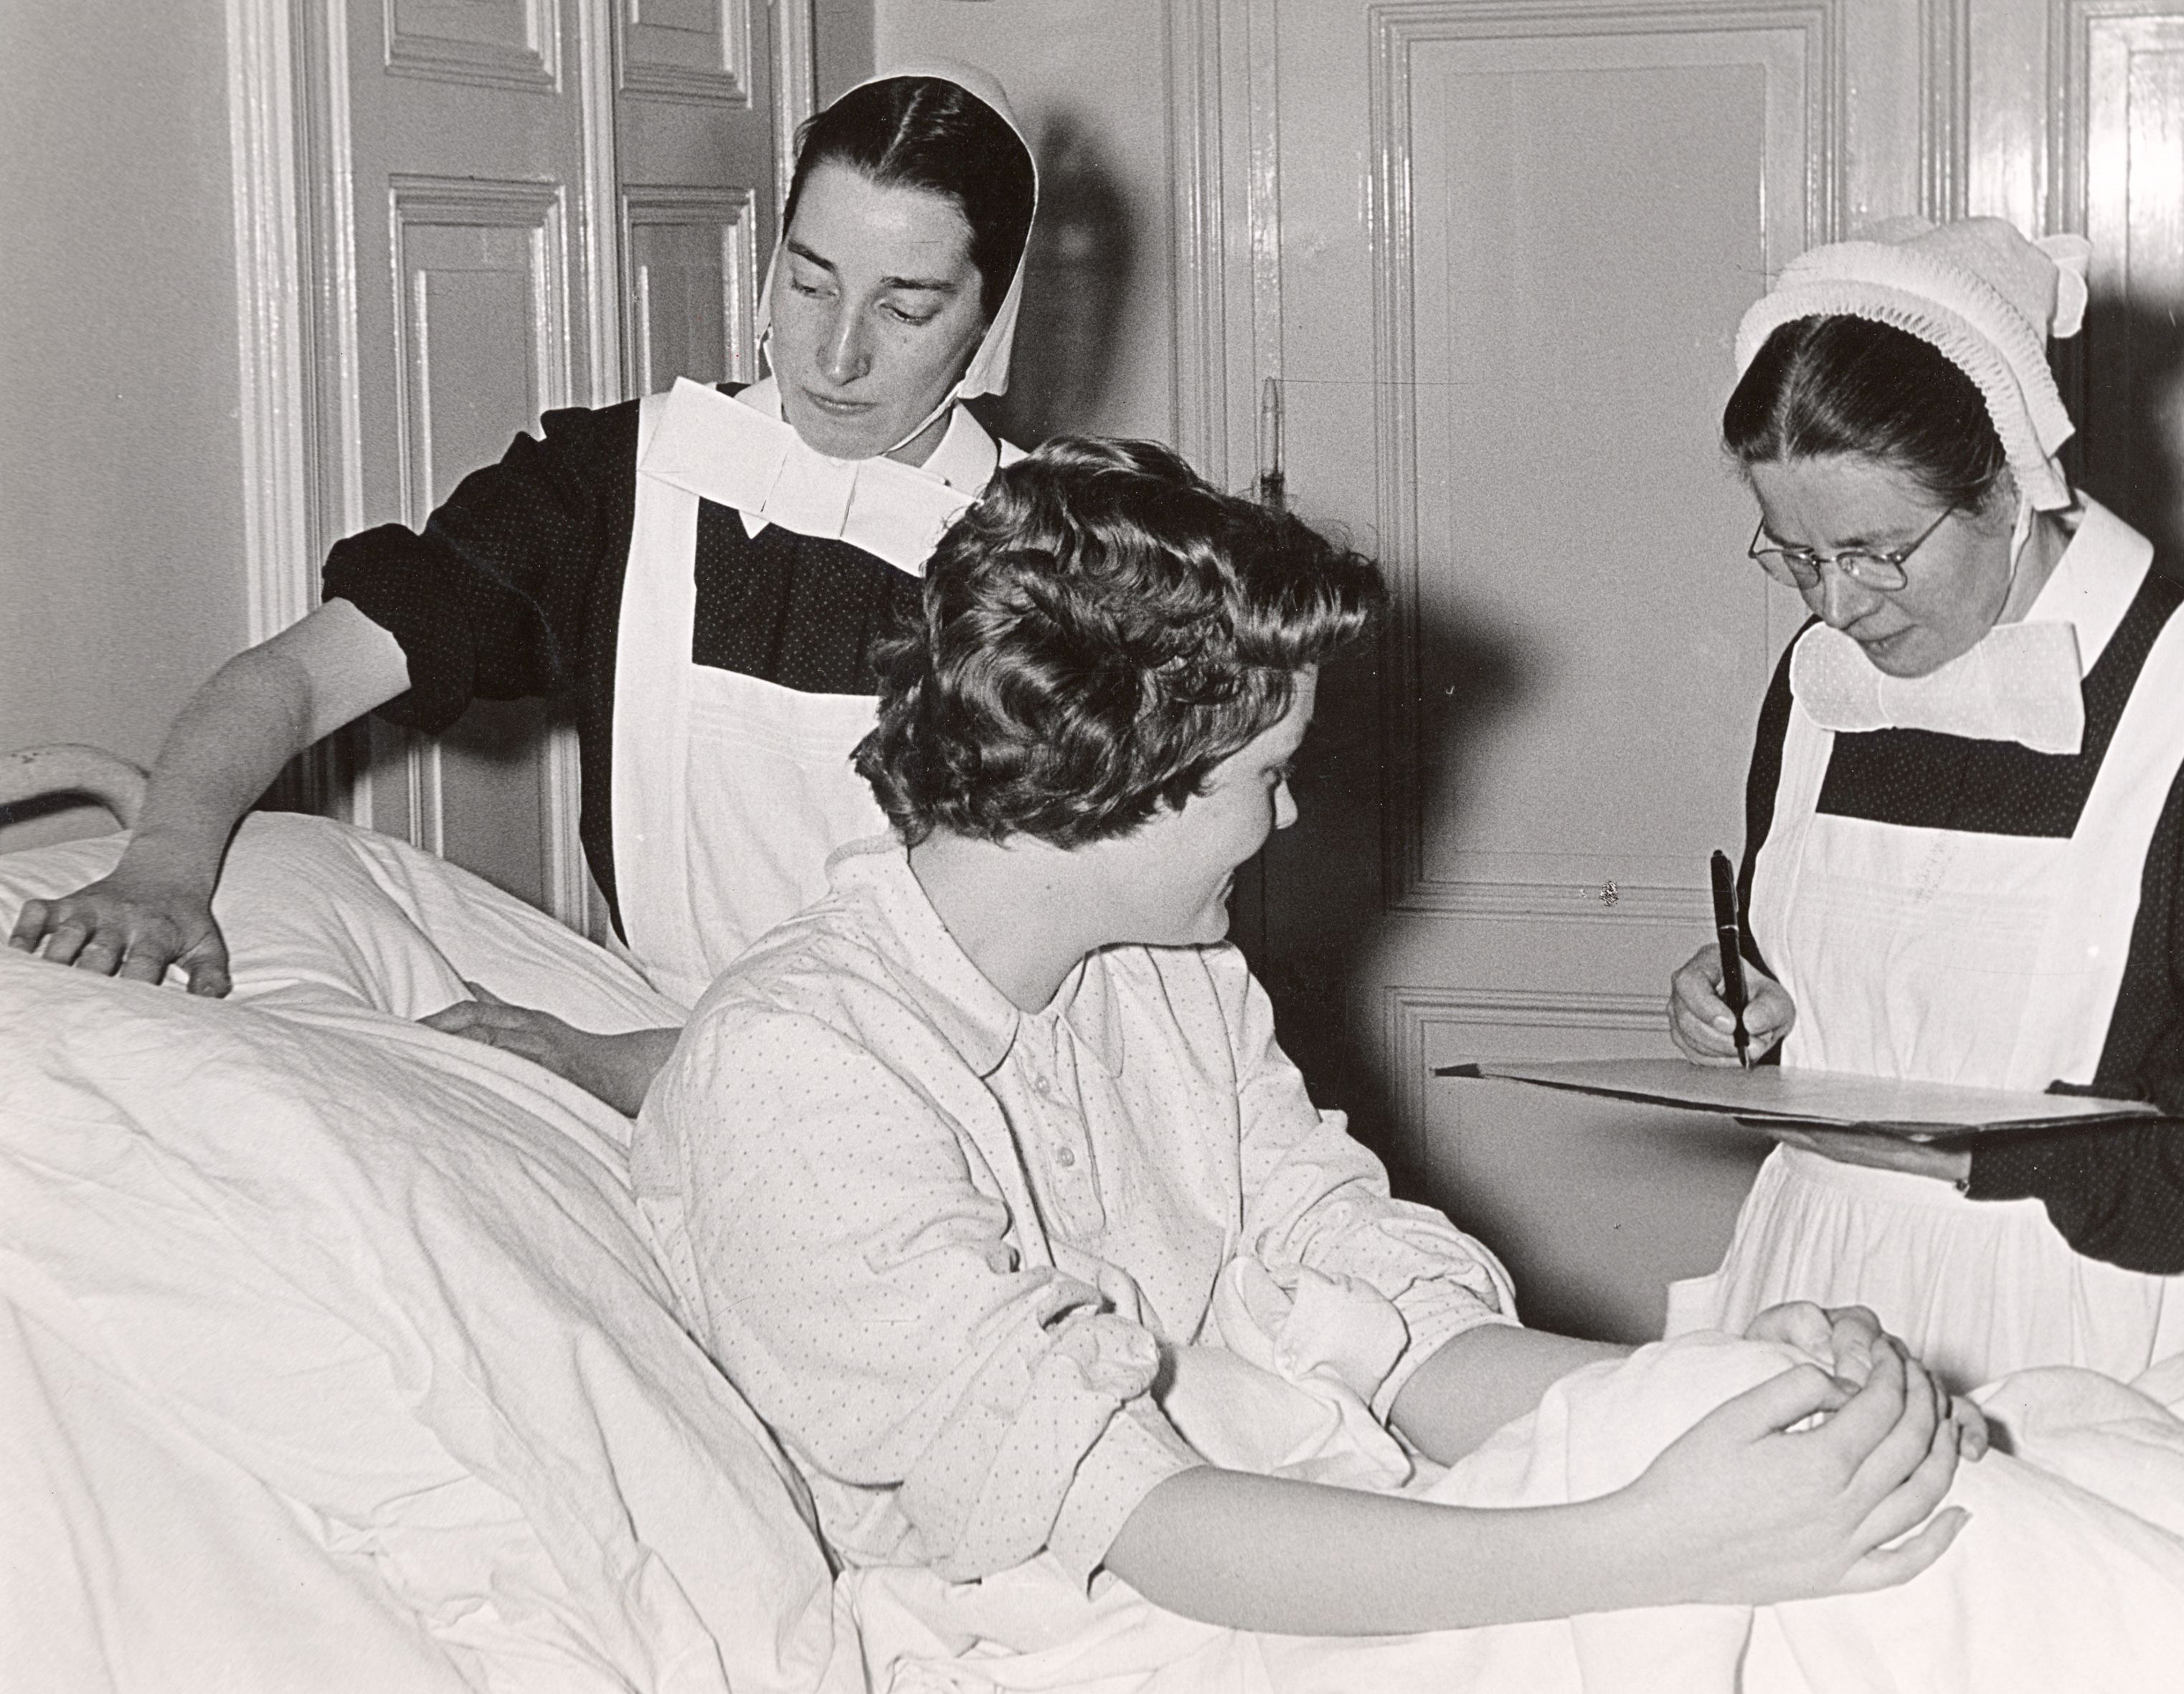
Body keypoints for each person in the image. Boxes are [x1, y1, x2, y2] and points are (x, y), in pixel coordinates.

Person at [631, 437, 1986, 1640]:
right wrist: (1652, 1544)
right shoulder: (800, 1073)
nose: (1282, 826)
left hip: (1298, 1533)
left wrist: (1728, 1402)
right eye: (1263, 779)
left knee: (1948, 1556)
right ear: (1110, 772)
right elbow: (1132, 1516)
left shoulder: (1166, 977)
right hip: (1080, 1633)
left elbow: (1388, 1318)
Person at [6, 62, 1038, 1114]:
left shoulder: (1057, 564)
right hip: (650, 1023)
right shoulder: (618, 483)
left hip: (915, 1092)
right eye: (811, 282)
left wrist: (603, 1064)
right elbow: (298, 679)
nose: (838, 353)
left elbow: (979, 1005)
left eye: (904, 310)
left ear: (989, 322)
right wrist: (163, 867)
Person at [1664, 218, 2184, 1391]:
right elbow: (1851, 976)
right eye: (1795, 556)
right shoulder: (1820, 684)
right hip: (1809, 1278)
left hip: (2082, 1313)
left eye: (1877, 549)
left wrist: (2004, 1163)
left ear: (2009, 480)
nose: (1837, 605)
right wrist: (1742, 1000)